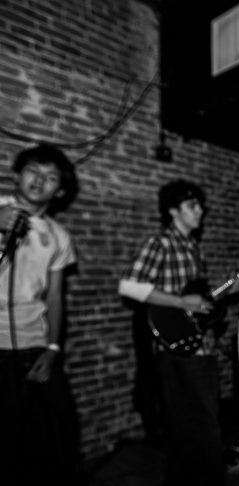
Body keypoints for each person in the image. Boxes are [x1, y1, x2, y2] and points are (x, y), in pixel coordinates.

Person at [118, 179, 239, 486]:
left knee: (192, 424)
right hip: (176, 348)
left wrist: (226, 290)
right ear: (173, 211)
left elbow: (196, 302)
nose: (200, 211)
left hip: (200, 344)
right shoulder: (160, 243)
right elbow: (129, 286)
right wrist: (182, 302)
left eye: (200, 205)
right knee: (201, 425)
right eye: (192, 205)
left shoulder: (193, 248)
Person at [0, 143, 80, 486]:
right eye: (33, 170)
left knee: (51, 442)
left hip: (33, 344)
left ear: (59, 191)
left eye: (50, 177)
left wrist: (52, 348)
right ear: (17, 175)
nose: (39, 180)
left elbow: (55, 297)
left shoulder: (59, 235)